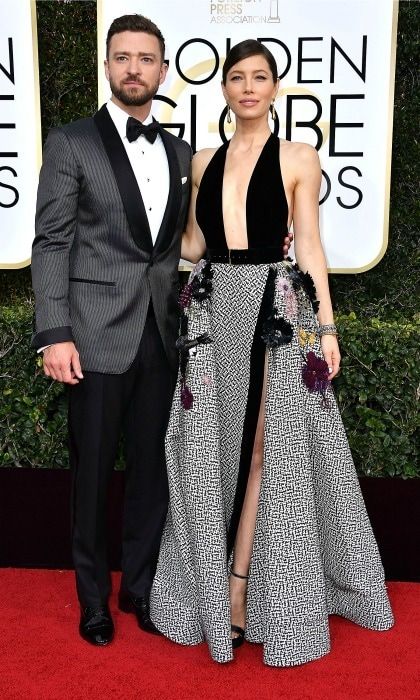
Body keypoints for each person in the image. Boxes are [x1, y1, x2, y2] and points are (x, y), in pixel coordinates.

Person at [150, 40, 394, 667]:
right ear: (224, 90)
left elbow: (309, 248)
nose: (249, 87)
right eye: (238, 78)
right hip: (212, 312)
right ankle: (210, 586)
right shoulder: (203, 161)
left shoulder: (299, 157)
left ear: (276, 88)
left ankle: (240, 594)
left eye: (261, 77)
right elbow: (197, 243)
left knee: (267, 445)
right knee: (209, 447)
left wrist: (325, 333)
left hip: (276, 309)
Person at [31, 14, 194, 647]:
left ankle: (140, 590)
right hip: (93, 336)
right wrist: (54, 331)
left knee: (153, 473)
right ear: (106, 65)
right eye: (122, 57)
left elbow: (180, 244)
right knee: (93, 475)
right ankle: (93, 601)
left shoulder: (179, 152)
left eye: (146, 59)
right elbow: (52, 243)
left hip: (161, 333)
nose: (134, 68)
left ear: (162, 68)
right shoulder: (72, 142)